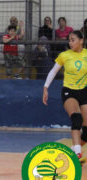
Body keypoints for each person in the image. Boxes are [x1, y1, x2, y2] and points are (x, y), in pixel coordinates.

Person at [43, 30, 87, 165]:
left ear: (81, 40)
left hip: (84, 92)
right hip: (69, 92)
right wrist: (45, 88)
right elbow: (53, 71)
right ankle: (77, 153)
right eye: (69, 40)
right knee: (76, 118)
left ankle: (72, 150)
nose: (70, 42)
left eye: (73, 40)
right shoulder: (64, 55)